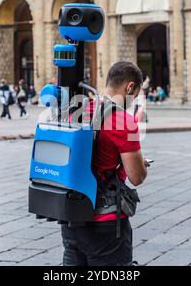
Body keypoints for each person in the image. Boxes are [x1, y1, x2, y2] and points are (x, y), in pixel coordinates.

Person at [61, 61, 148, 266]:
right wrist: (141, 165)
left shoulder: (77, 111)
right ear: (129, 87)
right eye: (135, 95)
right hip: (105, 221)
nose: (133, 100)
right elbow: (136, 177)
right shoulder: (123, 120)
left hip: (72, 216)